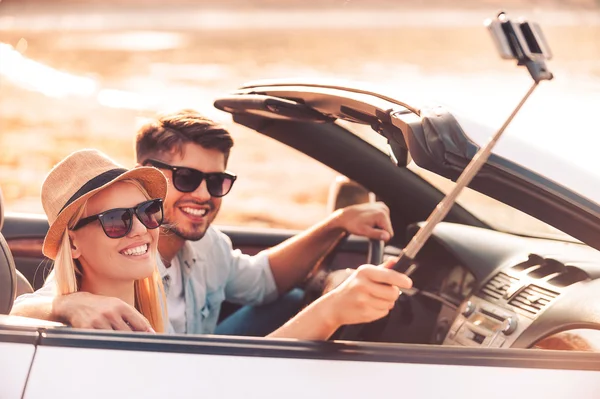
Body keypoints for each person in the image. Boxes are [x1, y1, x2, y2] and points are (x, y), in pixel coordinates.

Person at [12, 110, 412, 340]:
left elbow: (264, 279)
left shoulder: (204, 248)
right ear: (151, 173)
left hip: (199, 361)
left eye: (218, 182)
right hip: (200, 372)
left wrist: (337, 224)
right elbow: (22, 310)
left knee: (289, 300)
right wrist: (67, 304)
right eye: (186, 179)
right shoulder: (103, 301)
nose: (204, 195)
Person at [33, 149, 168, 332]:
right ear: (73, 244)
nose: (141, 229)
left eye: (146, 210)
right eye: (115, 220)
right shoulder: (63, 332)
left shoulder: (159, 305)